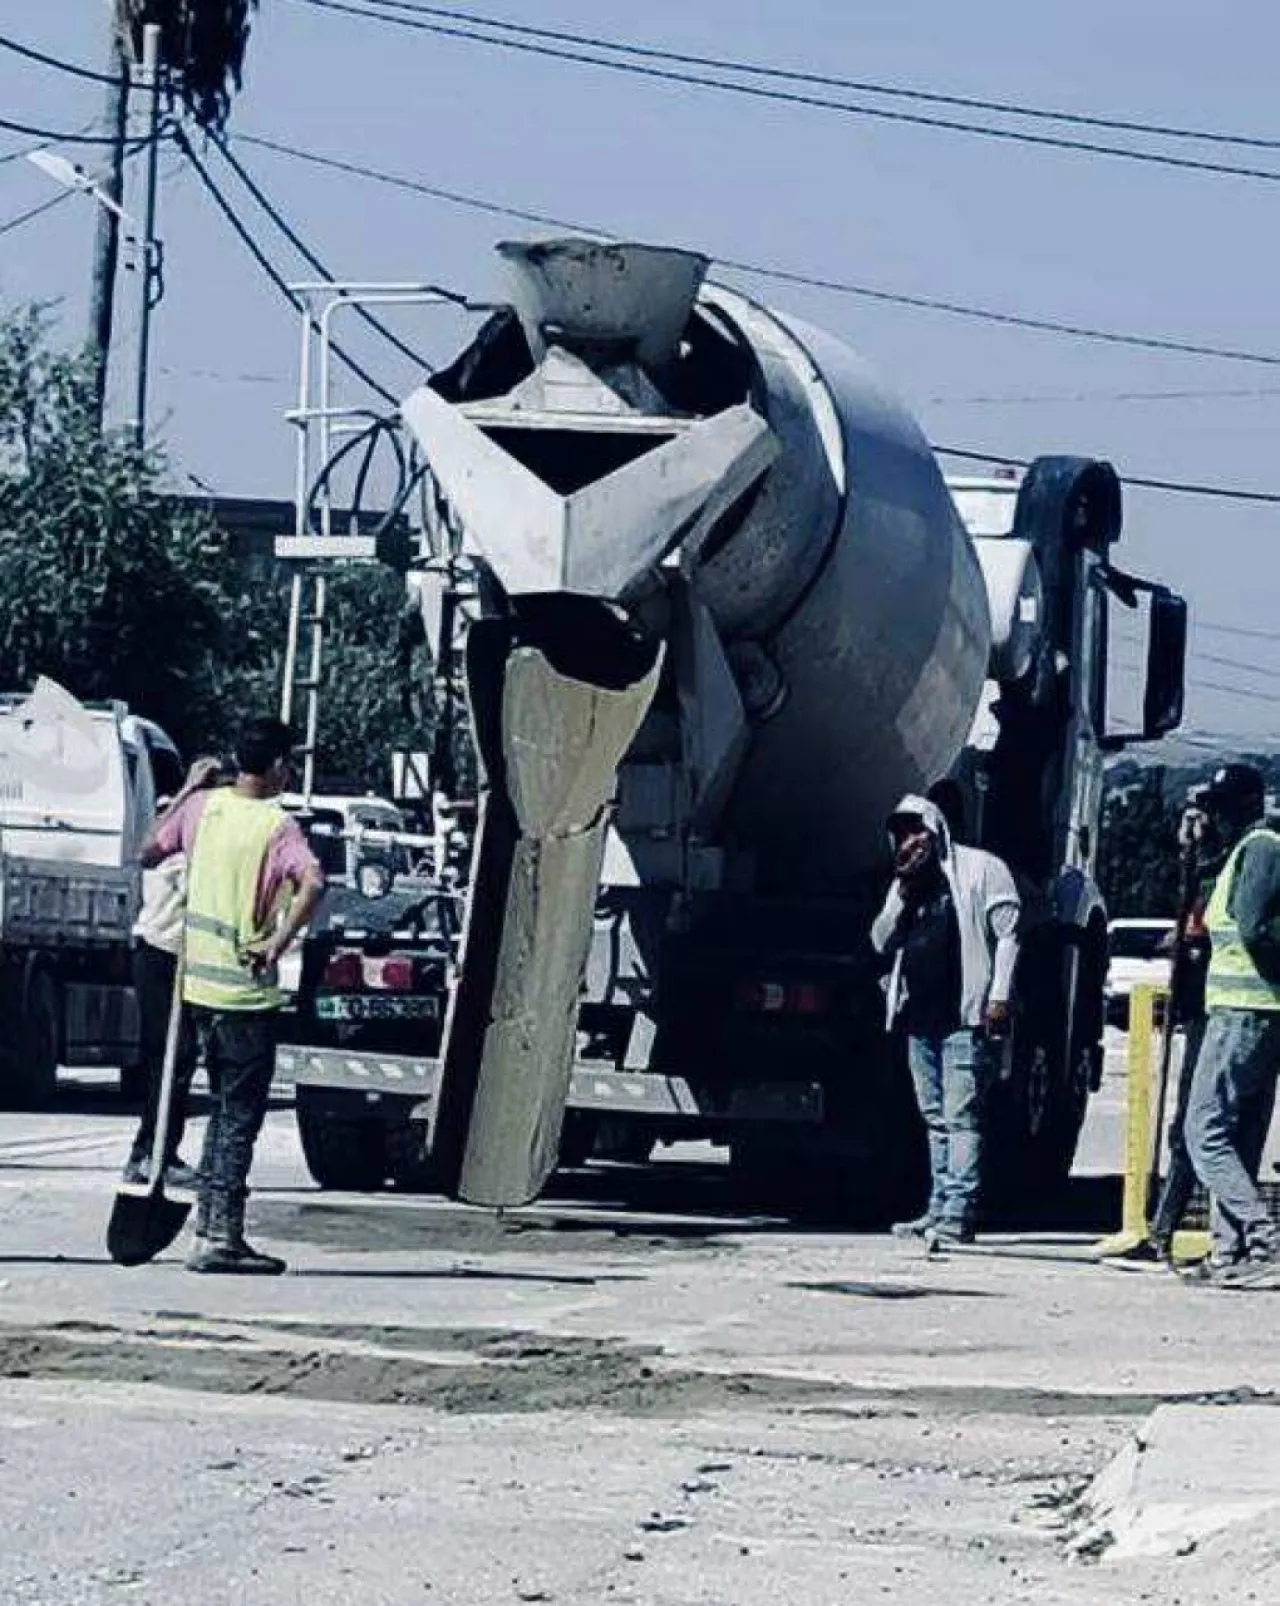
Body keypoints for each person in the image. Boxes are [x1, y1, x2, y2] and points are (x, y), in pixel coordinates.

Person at [141, 718, 324, 1275]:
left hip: (196, 987)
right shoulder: (276, 826)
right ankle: (219, 1234)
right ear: (277, 766)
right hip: (244, 995)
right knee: (235, 1116)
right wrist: (278, 941)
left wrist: (188, 790)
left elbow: (149, 850)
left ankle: (211, 1227)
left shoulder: (203, 809)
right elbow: (313, 882)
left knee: (220, 1112)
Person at [872, 792, 1021, 1246]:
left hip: (964, 1015)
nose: (910, 841)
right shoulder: (905, 886)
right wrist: (901, 889)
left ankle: (959, 1210)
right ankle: (937, 1207)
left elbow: (1009, 935)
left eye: (917, 830)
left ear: (936, 830)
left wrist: (999, 996)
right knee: (933, 1116)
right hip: (918, 1017)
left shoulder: (980, 870)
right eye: (902, 834)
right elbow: (880, 940)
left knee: (961, 1116)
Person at [1182, 762, 1280, 1287]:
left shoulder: (1260, 848)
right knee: (1238, 1135)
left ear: (1243, 806)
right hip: (1251, 1011)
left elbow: (1254, 927)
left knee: (1203, 1129)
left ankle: (1264, 1235)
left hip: (1245, 1011)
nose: (1213, 818)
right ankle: (1230, 1251)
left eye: (1219, 809)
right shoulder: (1246, 849)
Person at [121, 787, 202, 1190]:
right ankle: (151, 1152)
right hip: (159, 956)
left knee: (177, 1058)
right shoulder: (173, 860)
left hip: (176, 956)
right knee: (172, 1056)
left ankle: (157, 1150)